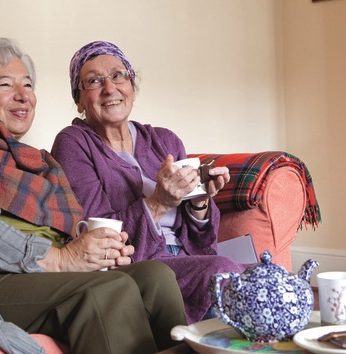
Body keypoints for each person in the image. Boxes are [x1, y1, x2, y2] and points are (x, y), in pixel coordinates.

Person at [0, 38, 187, 354]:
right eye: (5, 84)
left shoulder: (32, 161)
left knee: (155, 277)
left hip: (30, 276)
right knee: (105, 291)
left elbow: (62, 233)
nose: (23, 95)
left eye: (27, 84)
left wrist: (95, 250)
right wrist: (62, 259)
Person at [51, 41, 246, 324]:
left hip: (190, 259)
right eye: (94, 81)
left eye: (119, 75)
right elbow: (98, 236)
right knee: (223, 271)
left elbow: (204, 245)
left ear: (132, 86)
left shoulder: (164, 140)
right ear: (79, 100)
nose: (110, 88)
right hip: (137, 266)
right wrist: (158, 204)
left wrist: (200, 202)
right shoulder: (74, 143)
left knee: (259, 276)